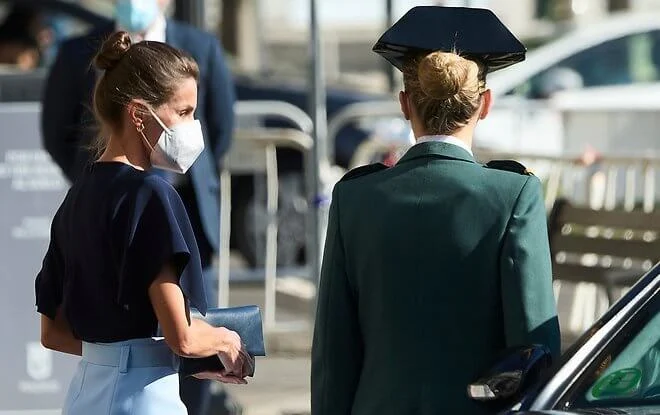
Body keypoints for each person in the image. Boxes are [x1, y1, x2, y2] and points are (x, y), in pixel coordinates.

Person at [311, 6, 561, 415]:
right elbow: (534, 350)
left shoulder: (355, 197)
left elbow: (333, 354)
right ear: (485, 104)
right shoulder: (514, 194)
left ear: (405, 104)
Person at [35, 31, 251, 415]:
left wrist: (125, 354)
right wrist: (224, 340)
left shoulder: (77, 196)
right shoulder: (151, 193)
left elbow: (54, 334)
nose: (193, 125)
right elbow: (181, 337)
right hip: (143, 399)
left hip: (85, 393)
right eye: (183, 112)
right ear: (138, 114)